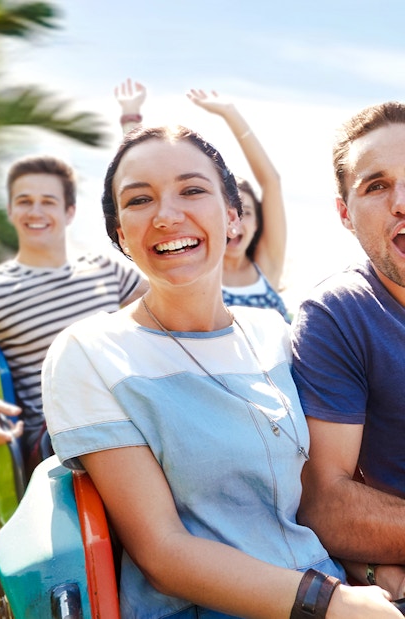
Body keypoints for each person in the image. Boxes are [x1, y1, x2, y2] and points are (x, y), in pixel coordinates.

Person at [42, 125, 400, 618]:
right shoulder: (89, 353)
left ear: (232, 216)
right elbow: (162, 553)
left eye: (192, 190)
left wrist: (367, 567)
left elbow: (301, 498)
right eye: (140, 200)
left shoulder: (273, 333)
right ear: (121, 232)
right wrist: (329, 601)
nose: (167, 216)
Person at [0, 155, 147, 479]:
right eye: (25, 201)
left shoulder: (108, 268)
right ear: (11, 210)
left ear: (69, 212)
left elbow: (172, 311)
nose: (35, 212)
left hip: (131, 412)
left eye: (48, 202)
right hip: (58, 440)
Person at [291, 101, 405, 599]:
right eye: (376, 186)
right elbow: (323, 501)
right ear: (344, 213)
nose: (401, 201)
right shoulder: (338, 314)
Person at [187, 89, 290, 322]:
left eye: (247, 213)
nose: (236, 221)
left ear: (258, 225)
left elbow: (271, 181)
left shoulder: (267, 266)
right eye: (228, 212)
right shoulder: (198, 274)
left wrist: (230, 113)